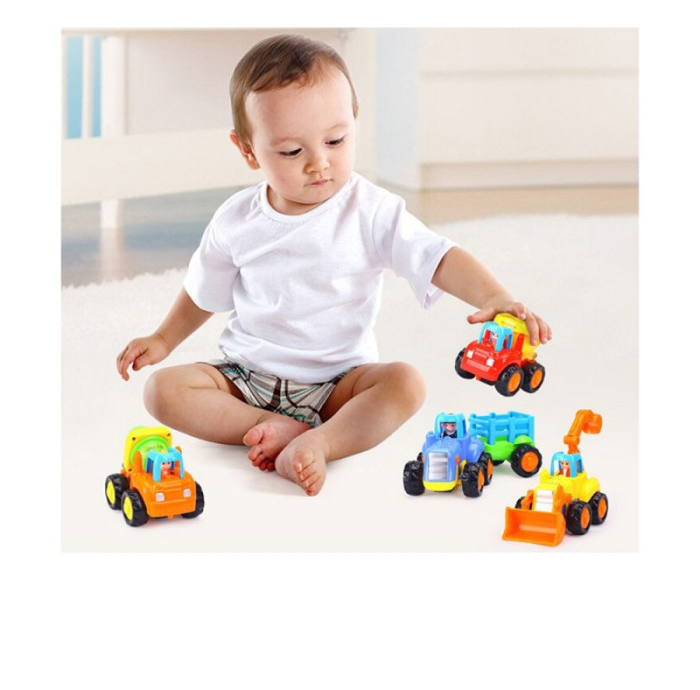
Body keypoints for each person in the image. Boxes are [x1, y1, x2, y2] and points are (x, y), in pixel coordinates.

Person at [116, 34, 551, 496]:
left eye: (336, 140)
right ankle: (266, 425)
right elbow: (203, 291)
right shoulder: (237, 219)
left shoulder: (371, 211)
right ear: (247, 150)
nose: (319, 163)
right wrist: (163, 339)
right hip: (246, 377)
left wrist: (494, 296)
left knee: (405, 383)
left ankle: (322, 441)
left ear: (354, 121)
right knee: (162, 391)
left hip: (339, 385)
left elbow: (436, 256)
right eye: (292, 151)